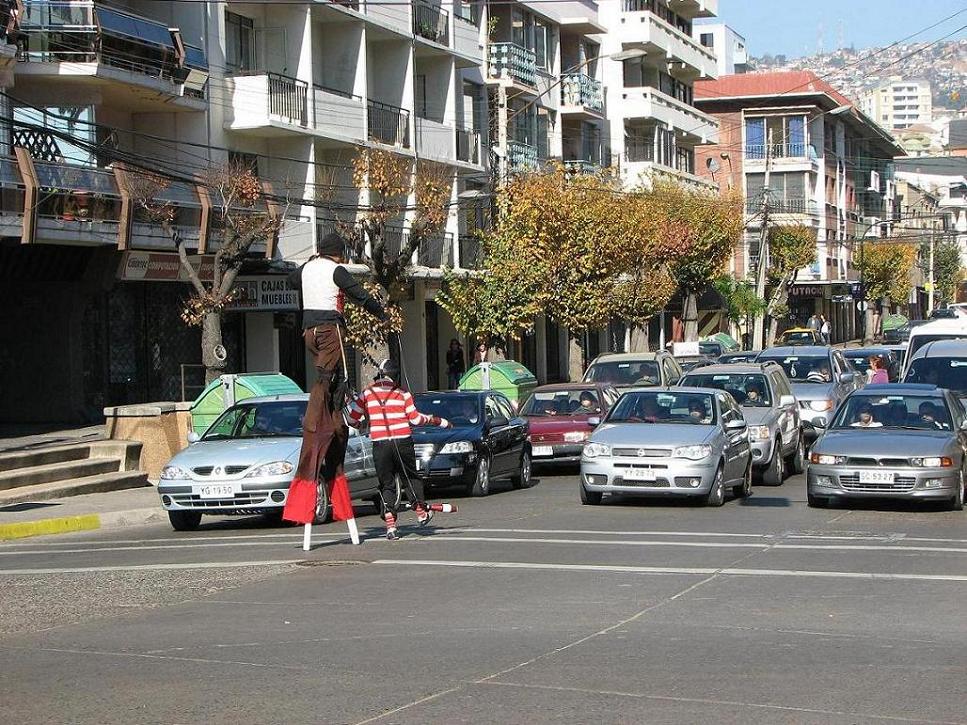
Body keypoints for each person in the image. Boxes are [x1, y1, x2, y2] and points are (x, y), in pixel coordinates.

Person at [284, 232, 386, 525]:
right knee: (332, 376)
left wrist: (309, 271)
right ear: (337, 253)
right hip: (330, 329)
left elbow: (292, 281)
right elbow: (358, 294)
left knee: (328, 377)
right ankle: (319, 416)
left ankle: (329, 405)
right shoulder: (336, 269)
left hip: (309, 333)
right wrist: (379, 313)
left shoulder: (308, 267)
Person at [348, 359, 451, 540]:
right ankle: (420, 511)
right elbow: (416, 420)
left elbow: (352, 419)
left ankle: (390, 525)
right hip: (402, 441)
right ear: (395, 376)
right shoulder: (403, 394)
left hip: (380, 444)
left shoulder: (367, 394)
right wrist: (438, 421)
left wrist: (359, 420)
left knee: (386, 483)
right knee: (410, 476)